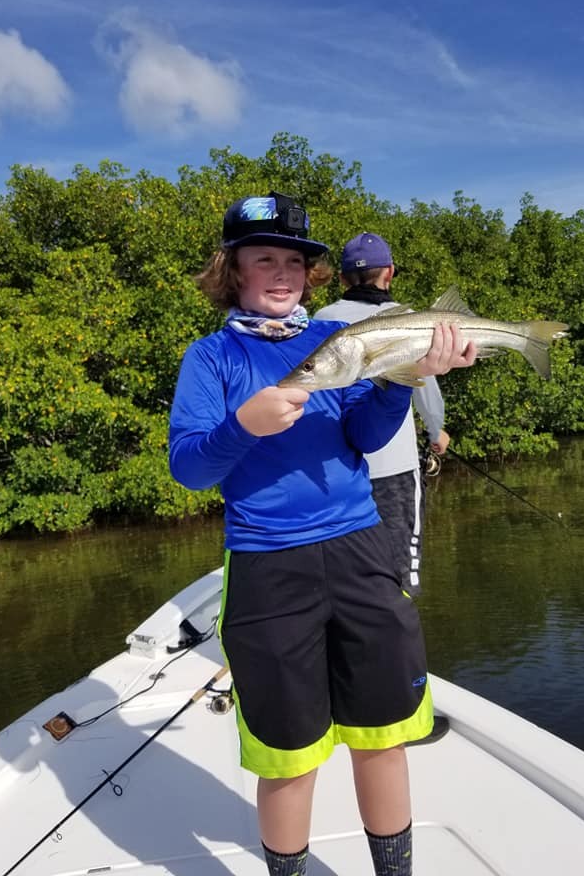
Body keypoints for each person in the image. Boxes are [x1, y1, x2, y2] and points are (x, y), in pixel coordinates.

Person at [168, 192, 477, 876]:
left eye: (295, 262)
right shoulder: (210, 359)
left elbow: (364, 437)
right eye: (263, 259)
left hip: (361, 550)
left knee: (383, 736)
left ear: (312, 276)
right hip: (267, 567)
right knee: (289, 752)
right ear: (233, 271)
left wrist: (404, 381)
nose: (281, 273)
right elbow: (189, 468)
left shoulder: (330, 344)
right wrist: (241, 425)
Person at [315, 232, 449, 596]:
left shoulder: (321, 320)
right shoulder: (406, 318)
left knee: (347, 575)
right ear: (389, 273)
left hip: (337, 473)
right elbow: (424, 384)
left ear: (342, 279)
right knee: (400, 576)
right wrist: (436, 432)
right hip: (395, 470)